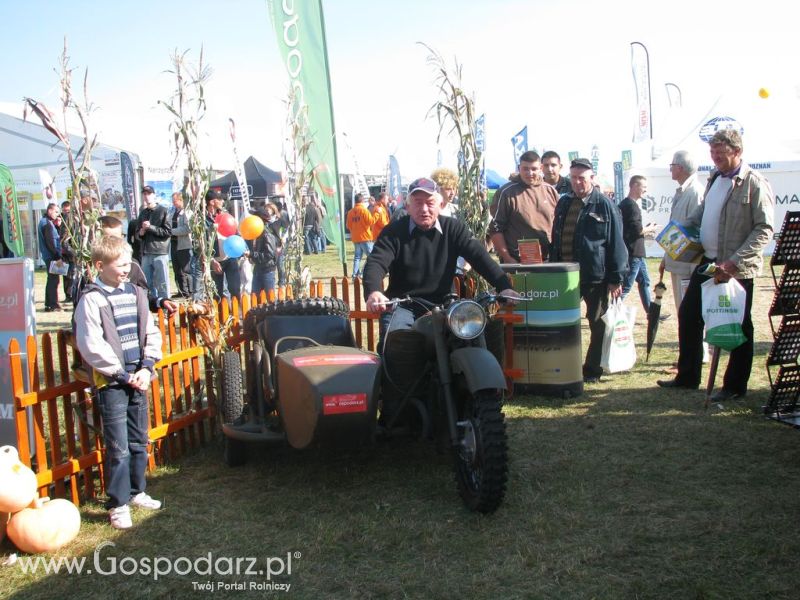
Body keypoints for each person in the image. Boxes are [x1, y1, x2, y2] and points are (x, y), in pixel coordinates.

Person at [657, 129, 773, 400]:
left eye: (721, 154)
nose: (716, 159)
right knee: (689, 314)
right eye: (712, 154)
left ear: (737, 152)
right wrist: (675, 231)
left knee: (739, 325)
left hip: (735, 268)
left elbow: (764, 228)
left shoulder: (754, 182)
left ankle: (734, 386)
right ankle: (687, 377)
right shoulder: (714, 179)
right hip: (708, 262)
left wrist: (734, 262)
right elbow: (700, 215)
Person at [364, 176, 519, 350]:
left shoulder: (454, 228)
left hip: (445, 304)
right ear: (407, 206)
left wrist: (503, 285)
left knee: (477, 337)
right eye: (417, 202)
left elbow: (479, 257)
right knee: (396, 345)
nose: (424, 209)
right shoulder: (393, 231)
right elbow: (376, 261)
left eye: (430, 203)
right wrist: (374, 291)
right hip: (404, 305)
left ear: (441, 205)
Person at [74, 235, 163, 529]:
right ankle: (118, 502)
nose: (127, 268)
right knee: (118, 445)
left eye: (129, 263)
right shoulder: (92, 300)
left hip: (138, 377)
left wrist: (147, 366)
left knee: (139, 439)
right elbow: (91, 345)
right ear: (100, 266)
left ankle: (137, 491)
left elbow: (151, 331)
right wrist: (121, 375)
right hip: (112, 383)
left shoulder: (137, 294)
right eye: (121, 264)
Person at [550, 158, 628, 383]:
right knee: (564, 322)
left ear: (592, 178)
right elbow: (556, 236)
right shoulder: (564, 203)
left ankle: (592, 369)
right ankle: (565, 364)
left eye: (582, 178)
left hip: (595, 276)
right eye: (573, 178)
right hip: (564, 275)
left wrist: (616, 277)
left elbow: (616, 242)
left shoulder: (604, 204)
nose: (577, 182)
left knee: (597, 323)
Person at [489, 150, 559, 263]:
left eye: (534, 169)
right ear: (519, 168)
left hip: (548, 261)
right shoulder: (506, 192)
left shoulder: (550, 191)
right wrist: (507, 258)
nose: (529, 173)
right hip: (517, 261)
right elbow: (495, 228)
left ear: (541, 168)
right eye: (525, 168)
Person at [659, 151, 705, 315]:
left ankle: (697, 342)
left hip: (688, 267)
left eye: (672, 166)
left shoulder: (695, 192)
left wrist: (694, 268)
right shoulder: (683, 191)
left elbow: (697, 232)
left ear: (680, 167)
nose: (670, 170)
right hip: (678, 264)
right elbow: (675, 228)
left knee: (690, 314)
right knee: (683, 312)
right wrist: (666, 258)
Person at [619, 175, 660, 314]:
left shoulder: (625, 204)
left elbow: (631, 229)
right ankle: (611, 312)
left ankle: (651, 312)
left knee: (645, 282)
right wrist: (651, 228)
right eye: (644, 187)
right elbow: (638, 230)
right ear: (635, 186)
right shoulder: (631, 206)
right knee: (626, 286)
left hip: (636, 252)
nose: (646, 190)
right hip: (633, 252)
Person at [135, 185, 172, 299]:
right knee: (147, 281)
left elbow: (167, 231)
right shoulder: (143, 213)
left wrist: (150, 227)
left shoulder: (163, 211)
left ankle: (165, 304)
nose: (146, 196)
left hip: (160, 251)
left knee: (162, 281)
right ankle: (152, 303)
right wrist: (140, 232)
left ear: (154, 195)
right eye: (144, 194)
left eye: (149, 194)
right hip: (146, 252)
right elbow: (137, 233)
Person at [205, 190, 240, 299]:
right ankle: (220, 314)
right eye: (219, 199)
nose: (222, 201)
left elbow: (235, 232)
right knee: (217, 293)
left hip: (230, 256)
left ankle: (237, 313)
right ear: (212, 202)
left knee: (235, 289)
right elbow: (199, 244)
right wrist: (211, 260)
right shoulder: (202, 219)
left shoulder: (225, 215)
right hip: (215, 260)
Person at [248, 204, 281, 299]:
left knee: (269, 298)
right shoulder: (256, 233)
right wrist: (252, 257)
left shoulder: (267, 234)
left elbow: (269, 255)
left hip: (267, 270)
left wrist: (252, 254)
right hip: (258, 268)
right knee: (255, 297)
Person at [38, 202, 63, 312]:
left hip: (49, 255)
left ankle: (49, 303)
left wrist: (57, 226)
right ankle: (53, 304)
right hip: (52, 256)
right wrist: (58, 257)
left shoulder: (46, 222)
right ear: (49, 211)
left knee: (52, 279)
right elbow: (51, 242)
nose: (58, 214)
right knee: (54, 280)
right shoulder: (47, 224)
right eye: (56, 212)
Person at [168, 192, 193, 298]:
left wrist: (172, 231)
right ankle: (181, 291)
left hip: (184, 244)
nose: (173, 204)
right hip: (174, 243)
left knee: (186, 269)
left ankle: (190, 291)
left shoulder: (187, 212)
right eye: (172, 201)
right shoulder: (172, 211)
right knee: (176, 268)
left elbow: (188, 228)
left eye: (175, 201)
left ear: (181, 200)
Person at [347, 193, 376, 281]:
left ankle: (355, 275)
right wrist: (376, 214)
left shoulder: (350, 212)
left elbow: (348, 226)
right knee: (371, 256)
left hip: (356, 237)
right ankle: (362, 273)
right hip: (365, 237)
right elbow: (371, 222)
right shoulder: (364, 210)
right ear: (362, 200)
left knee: (357, 257)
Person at [59, 200, 75, 301]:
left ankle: (70, 294)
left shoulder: (72, 218)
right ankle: (68, 295)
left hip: (70, 249)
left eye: (68, 211)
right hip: (66, 251)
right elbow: (63, 236)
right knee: (67, 274)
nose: (66, 213)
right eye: (65, 211)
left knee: (71, 273)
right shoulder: (62, 219)